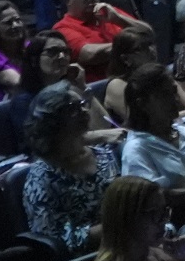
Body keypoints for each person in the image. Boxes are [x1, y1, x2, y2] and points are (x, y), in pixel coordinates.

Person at [21, 81, 119, 251]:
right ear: (53, 121)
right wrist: (118, 226)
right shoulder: (42, 177)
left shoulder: (104, 155)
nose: (84, 111)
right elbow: (56, 243)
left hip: (126, 241)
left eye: (82, 104)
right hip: (88, 260)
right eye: (73, 108)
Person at [117, 63, 185, 220]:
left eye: (174, 92)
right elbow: (149, 198)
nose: (175, 100)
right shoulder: (136, 149)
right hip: (181, 222)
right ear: (142, 104)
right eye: (165, 95)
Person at [54, 0, 150, 76]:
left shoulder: (109, 13)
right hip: (100, 86)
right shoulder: (62, 27)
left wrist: (118, 19)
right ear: (68, 0)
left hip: (133, 76)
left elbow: (148, 33)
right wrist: (132, 44)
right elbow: (89, 55)